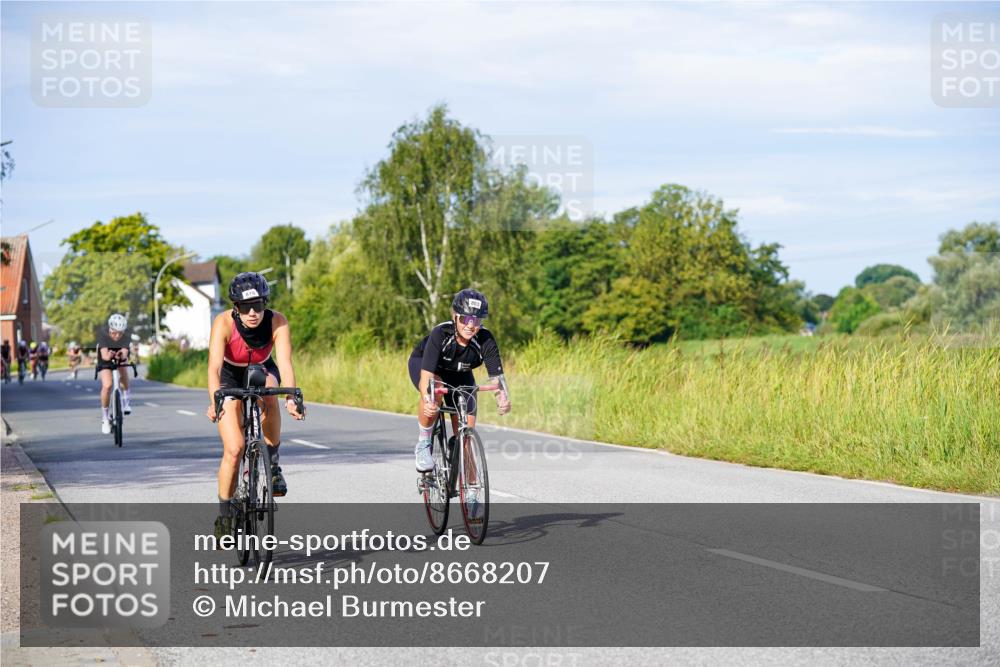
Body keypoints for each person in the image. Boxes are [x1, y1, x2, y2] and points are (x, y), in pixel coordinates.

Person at [206, 272, 303, 541]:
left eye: (258, 306)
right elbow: (213, 368)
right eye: (246, 307)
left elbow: (284, 364)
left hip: (261, 368)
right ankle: (225, 515)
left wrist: (292, 398)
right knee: (235, 448)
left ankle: (272, 464)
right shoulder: (223, 322)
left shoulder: (278, 321)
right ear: (235, 307)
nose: (253, 313)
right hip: (230, 375)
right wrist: (215, 399)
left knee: (270, 391)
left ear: (265, 304)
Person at [408, 288, 511, 472]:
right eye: (465, 319)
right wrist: (427, 399)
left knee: (466, 435)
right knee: (435, 390)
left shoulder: (485, 339)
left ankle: (471, 492)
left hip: (460, 373)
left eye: (476, 320)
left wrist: (502, 398)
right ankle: (424, 443)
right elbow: (426, 378)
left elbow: (497, 378)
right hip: (429, 367)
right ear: (454, 316)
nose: (470, 325)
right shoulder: (441, 333)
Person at [96, 314, 133, 433]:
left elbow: (125, 352)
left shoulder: (126, 335)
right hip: (105, 354)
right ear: (110, 329)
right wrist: (110, 355)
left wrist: (120, 355)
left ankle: (126, 400)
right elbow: (105, 356)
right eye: (114, 333)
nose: (117, 336)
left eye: (120, 333)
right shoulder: (103, 334)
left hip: (119, 353)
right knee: (107, 385)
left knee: (123, 371)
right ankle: (105, 418)